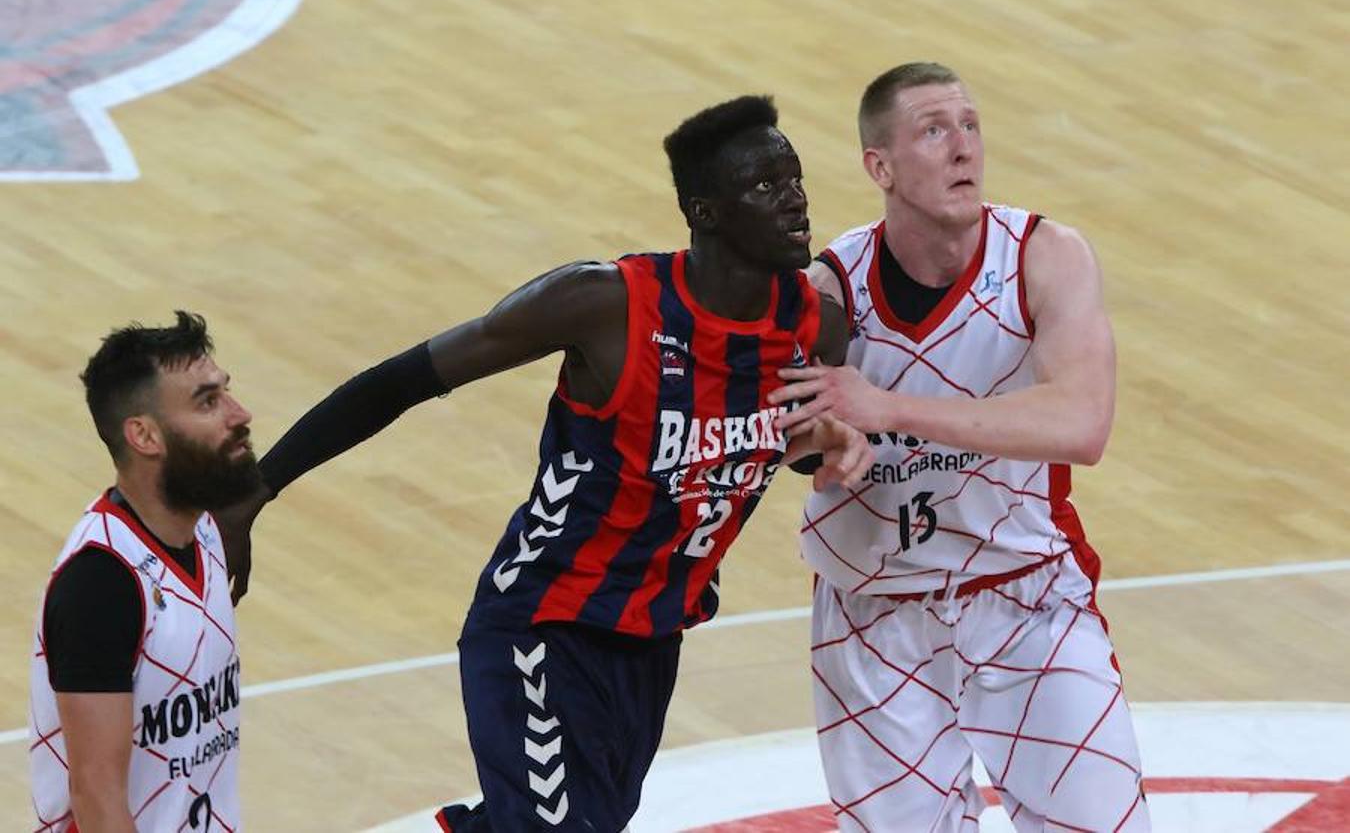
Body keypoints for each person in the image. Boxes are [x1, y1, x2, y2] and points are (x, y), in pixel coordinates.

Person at [216, 95, 872, 832]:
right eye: (764, 185)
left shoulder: (815, 328)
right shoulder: (604, 304)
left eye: (795, 178)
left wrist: (827, 441)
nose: (794, 200)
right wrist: (257, 490)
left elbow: (767, 450)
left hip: (653, 639)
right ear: (706, 212)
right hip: (542, 619)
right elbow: (402, 381)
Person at [769, 63, 1150, 831]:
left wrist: (887, 409)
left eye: (970, 126)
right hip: (873, 616)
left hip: (1026, 596)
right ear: (880, 167)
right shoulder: (830, 288)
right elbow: (791, 430)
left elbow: (1083, 424)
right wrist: (819, 439)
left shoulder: (1045, 255)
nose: (962, 147)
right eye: (934, 130)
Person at [29, 311, 258, 833]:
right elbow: (97, 798)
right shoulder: (101, 584)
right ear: (145, 435)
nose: (239, 413)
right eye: (208, 402)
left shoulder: (201, 526)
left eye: (226, 391)